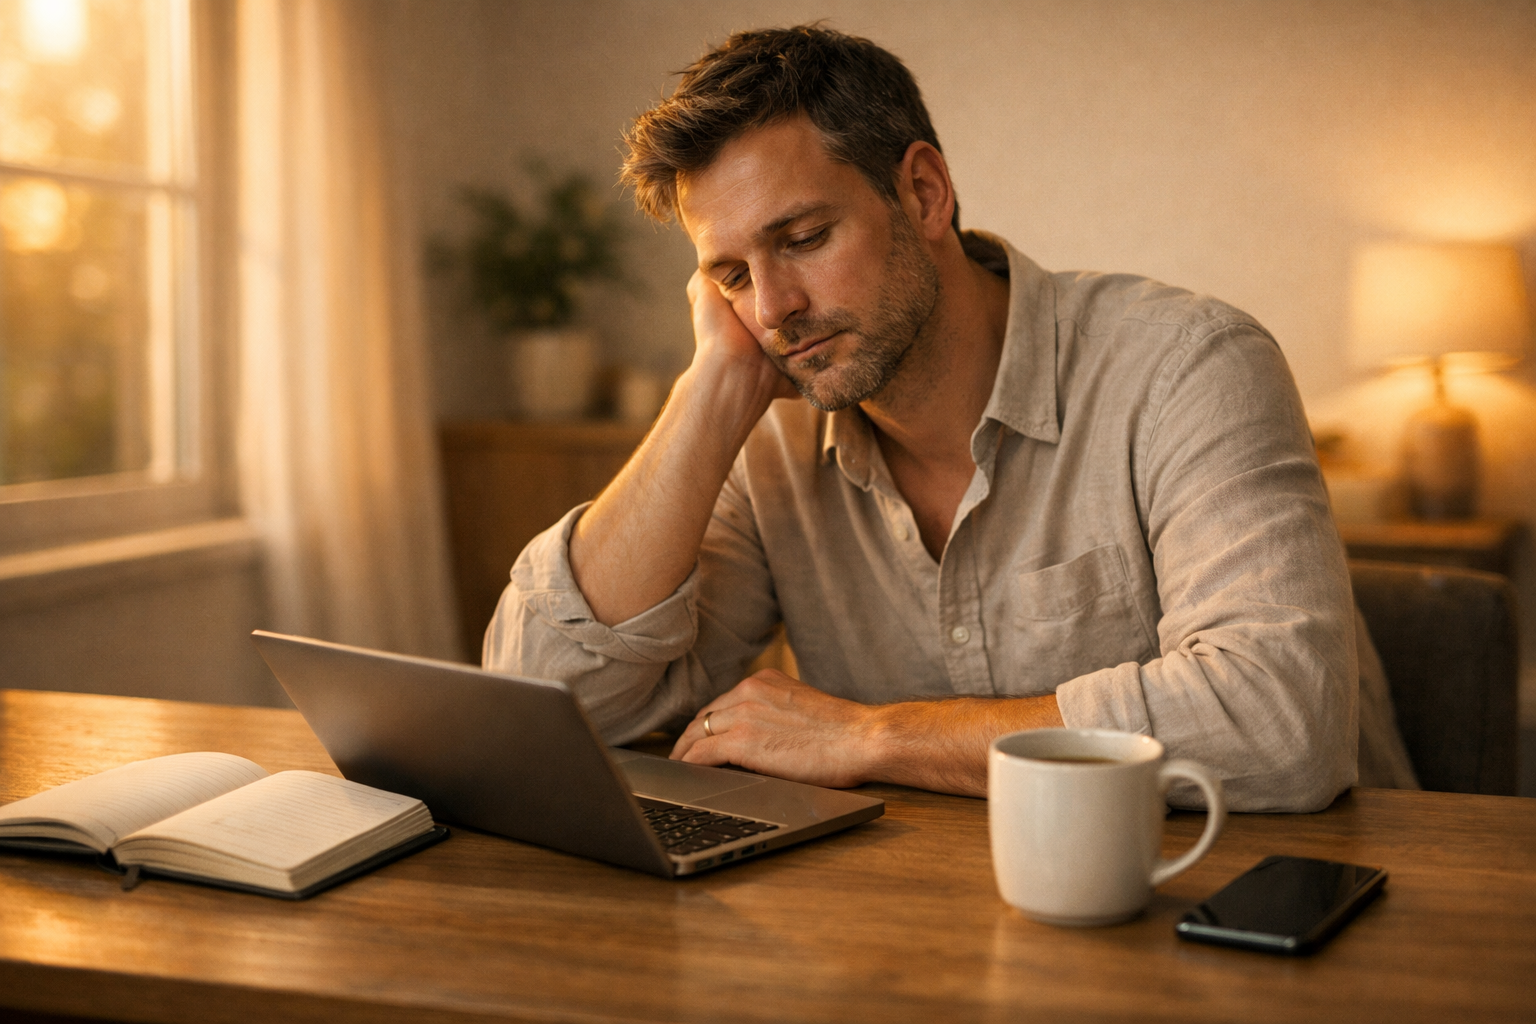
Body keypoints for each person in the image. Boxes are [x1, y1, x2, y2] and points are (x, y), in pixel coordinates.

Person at [485, 25, 1417, 811]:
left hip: (1293, 902)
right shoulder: (764, 428)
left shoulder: (1187, 367)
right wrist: (705, 396)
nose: (770, 309)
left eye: (803, 239)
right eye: (729, 274)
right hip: (941, 924)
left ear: (923, 193)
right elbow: (542, 707)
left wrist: (874, 738)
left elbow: (1281, 720)